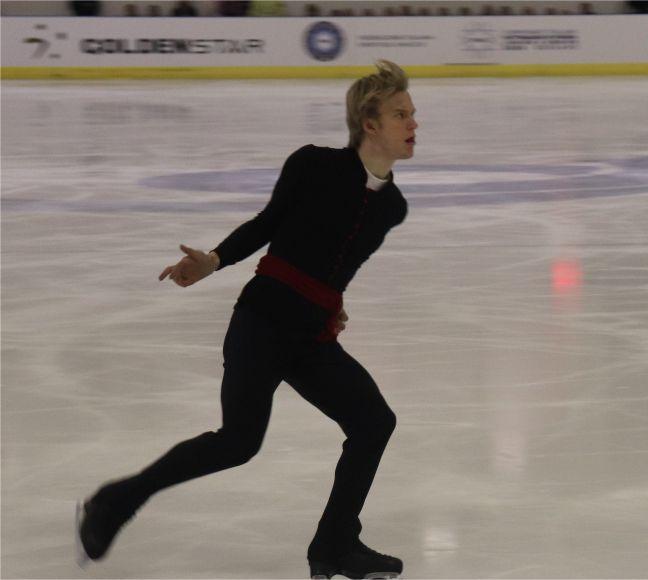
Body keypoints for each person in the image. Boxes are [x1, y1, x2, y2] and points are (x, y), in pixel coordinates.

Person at [76, 60, 417, 580]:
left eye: (412, 113)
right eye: (400, 114)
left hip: (311, 335)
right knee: (238, 442)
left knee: (373, 423)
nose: (413, 123)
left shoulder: (392, 206)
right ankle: (113, 502)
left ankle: (334, 545)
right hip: (263, 322)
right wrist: (213, 260)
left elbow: (338, 261)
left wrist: (332, 300)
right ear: (370, 124)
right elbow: (268, 225)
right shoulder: (314, 164)